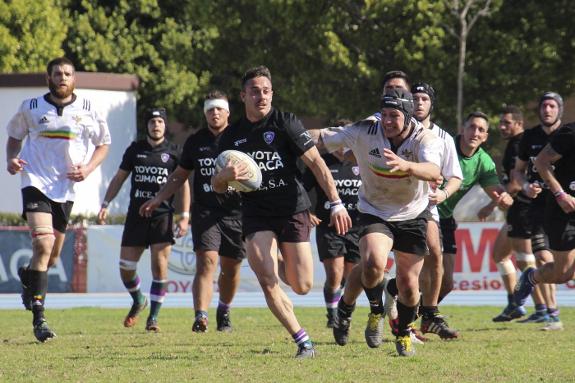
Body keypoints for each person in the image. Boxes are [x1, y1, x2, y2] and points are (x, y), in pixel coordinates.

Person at [211, 66, 351, 359]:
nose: (261, 96)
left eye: (266, 91)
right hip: (256, 212)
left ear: (272, 93)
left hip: (292, 209)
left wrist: (335, 201)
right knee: (267, 279)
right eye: (254, 91)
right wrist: (224, 177)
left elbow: (316, 163)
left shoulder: (286, 123)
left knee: (301, 285)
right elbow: (217, 187)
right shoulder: (231, 136)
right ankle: (303, 342)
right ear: (243, 95)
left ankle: (274, 256)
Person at [318, 88, 443, 356]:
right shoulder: (365, 130)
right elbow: (322, 137)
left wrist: (407, 166)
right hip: (374, 210)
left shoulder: (425, 138)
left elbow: (433, 170)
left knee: (409, 285)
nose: (386, 120)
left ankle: (403, 332)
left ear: (408, 116)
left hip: (412, 214)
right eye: (384, 114)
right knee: (374, 263)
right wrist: (289, 135)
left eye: (393, 115)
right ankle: (374, 313)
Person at [6, 57, 111, 342]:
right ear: (49, 78)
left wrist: (88, 169)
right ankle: (39, 318)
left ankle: (29, 275)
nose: (63, 77)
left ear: (74, 78)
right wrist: (11, 159)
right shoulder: (31, 107)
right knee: (43, 242)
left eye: (67, 73)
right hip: (35, 182)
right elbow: (14, 137)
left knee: (51, 258)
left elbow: (104, 143)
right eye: (57, 74)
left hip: (65, 189)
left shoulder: (88, 109)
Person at [140, 91, 245, 333]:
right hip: (206, 213)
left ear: (228, 112)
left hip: (236, 213)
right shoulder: (196, 141)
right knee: (206, 262)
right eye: (210, 109)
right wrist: (159, 198)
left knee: (230, 269)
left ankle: (224, 309)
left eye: (219, 108)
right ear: (205, 113)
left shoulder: (240, 138)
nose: (215, 113)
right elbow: (179, 176)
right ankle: (201, 315)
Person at [97, 108, 190, 332]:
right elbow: (119, 178)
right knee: (126, 268)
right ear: (146, 125)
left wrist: (184, 215)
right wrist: (105, 204)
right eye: (151, 122)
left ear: (165, 125)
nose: (155, 125)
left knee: (160, 267)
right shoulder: (135, 149)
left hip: (162, 216)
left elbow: (182, 184)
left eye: (159, 121)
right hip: (136, 216)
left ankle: (153, 319)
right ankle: (139, 299)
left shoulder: (174, 151)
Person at [500, 93, 565, 330]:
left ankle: (546, 308)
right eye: (544, 106)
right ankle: (551, 313)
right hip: (538, 209)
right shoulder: (530, 137)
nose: (547, 110)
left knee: (561, 268)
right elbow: (518, 171)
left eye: (552, 106)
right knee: (543, 257)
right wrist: (526, 185)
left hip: (567, 208)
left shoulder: (567, 134)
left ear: (560, 109)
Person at [437, 112, 514, 310]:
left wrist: (504, 198)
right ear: (462, 129)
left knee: (446, 284)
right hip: (420, 215)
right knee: (427, 274)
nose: (475, 132)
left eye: (481, 129)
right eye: (471, 127)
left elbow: (497, 192)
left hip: (444, 219)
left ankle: (416, 316)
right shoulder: (443, 146)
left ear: (486, 136)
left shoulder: (483, 161)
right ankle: (405, 320)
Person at [511, 122, 575, 322]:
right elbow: (541, 162)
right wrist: (560, 193)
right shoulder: (570, 133)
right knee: (562, 274)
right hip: (563, 209)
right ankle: (531, 277)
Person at [303, 119, 362, 329]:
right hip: (329, 226)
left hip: (357, 227)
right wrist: (307, 211)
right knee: (335, 274)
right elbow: (302, 189)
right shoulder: (320, 162)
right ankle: (332, 314)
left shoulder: (361, 160)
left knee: (351, 275)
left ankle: (344, 310)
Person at [489, 106, 542, 322]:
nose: (502, 127)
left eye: (507, 123)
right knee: (500, 255)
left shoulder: (519, 143)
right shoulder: (515, 143)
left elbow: (516, 180)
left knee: (527, 261)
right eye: (501, 122)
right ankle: (515, 303)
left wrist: (491, 205)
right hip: (515, 210)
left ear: (518, 123)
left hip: (523, 209)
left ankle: (543, 309)